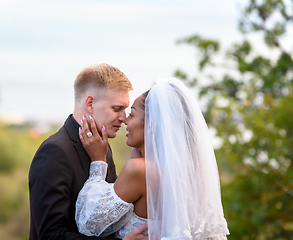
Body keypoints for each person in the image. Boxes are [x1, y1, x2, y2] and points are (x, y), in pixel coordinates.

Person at [76, 78, 230, 239]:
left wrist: (98, 161)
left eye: (132, 114)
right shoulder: (188, 174)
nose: (125, 120)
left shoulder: (138, 170)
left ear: (150, 125)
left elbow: (89, 224)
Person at [28, 63, 148, 240]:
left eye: (126, 110)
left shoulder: (102, 148)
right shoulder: (54, 151)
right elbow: (51, 234)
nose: (123, 118)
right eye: (117, 109)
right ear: (90, 104)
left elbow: (111, 220)